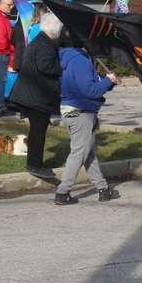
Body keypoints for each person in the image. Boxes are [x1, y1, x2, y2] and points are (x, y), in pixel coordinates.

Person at [53, 44, 121, 206]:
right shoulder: (80, 61)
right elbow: (91, 90)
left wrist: (108, 82)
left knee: (88, 154)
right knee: (78, 153)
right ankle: (62, 192)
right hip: (80, 112)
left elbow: (91, 84)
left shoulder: (67, 57)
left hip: (72, 111)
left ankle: (103, 190)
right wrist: (107, 81)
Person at [8, 12, 64, 184]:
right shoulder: (45, 45)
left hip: (32, 94)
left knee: (37, 130)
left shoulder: (40, 41)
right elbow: (45, 66)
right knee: (38, 131)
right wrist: (62, 67)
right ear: (55, 30)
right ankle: (34, 165)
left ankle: (34, 162)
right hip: (35, 96)